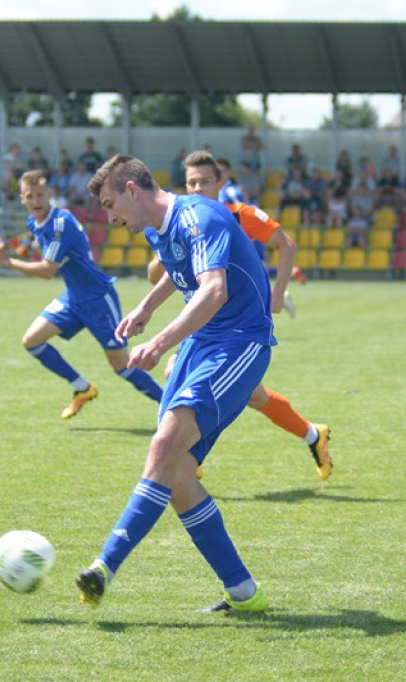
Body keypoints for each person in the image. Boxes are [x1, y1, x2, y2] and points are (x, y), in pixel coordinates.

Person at [75, 154, 276, 614]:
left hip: (239, 341)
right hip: (203, 343)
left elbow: (213, 290)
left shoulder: (201, 215)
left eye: (110, 204)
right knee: (179, 473)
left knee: (164, 447)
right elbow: (175, 269)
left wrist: (162, 342)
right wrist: (146, 306)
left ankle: (103, 568)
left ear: (131, 189)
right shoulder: (156, 227)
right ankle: (244, 592)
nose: (110, 218)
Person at [154, 150, 330, 475]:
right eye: (191, 183)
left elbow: (286, 244)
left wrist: (277, 295)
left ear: (221, 183)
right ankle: (313, 434)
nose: (196, 189)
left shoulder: (239, 215)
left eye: (204, 181)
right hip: (205, 328)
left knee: (177, 374)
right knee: (254, 396)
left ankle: (186, 457)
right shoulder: (179, 224)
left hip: (238, 329)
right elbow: (163, 274)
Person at [0, 170, 163, 420]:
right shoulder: (34, 222)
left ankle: (168, 404)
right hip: (73, 298)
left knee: (122, 367)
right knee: (32, 341)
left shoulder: (61, 223)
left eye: (40, 195)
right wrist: (21, 247)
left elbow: (48, 270)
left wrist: (8, 261)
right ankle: (82, 388)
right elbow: (38, 242)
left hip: (98, 299)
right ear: (22, 199)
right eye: (30, 196)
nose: (36, 201)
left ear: (50, 194)